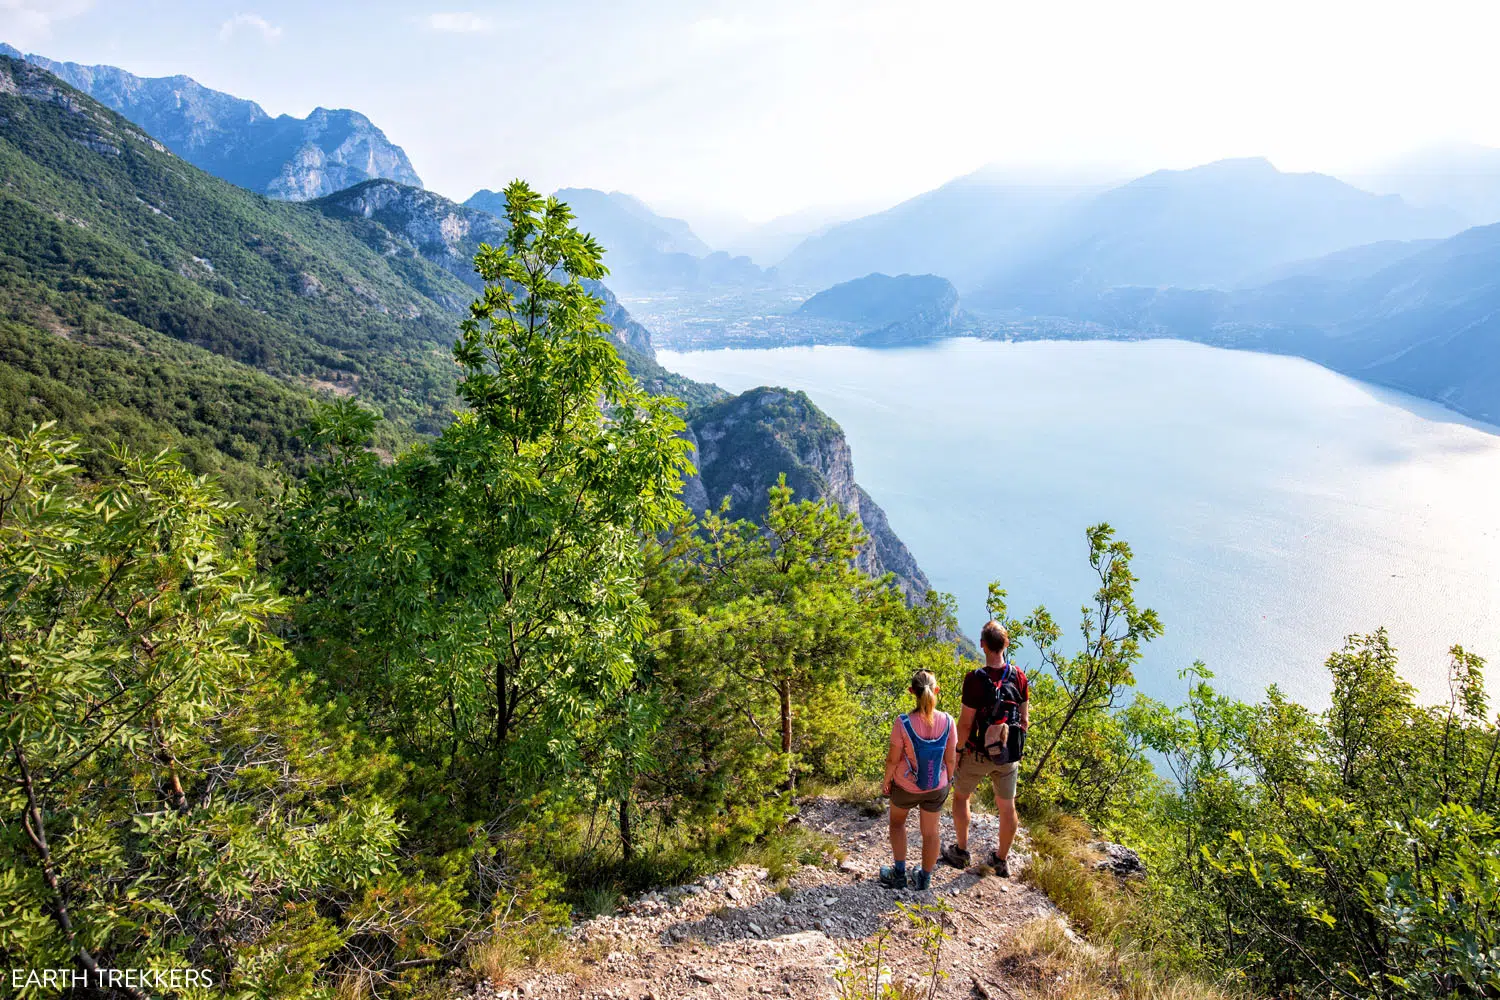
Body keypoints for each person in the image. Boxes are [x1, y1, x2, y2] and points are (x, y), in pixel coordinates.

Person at [942, 621, 1029, 877]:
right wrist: (1010, 745)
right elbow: (1024, 720)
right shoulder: (1019, 676)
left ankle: (961, 851)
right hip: (1007, 756)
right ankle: (1000, 860)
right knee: (1007, 807)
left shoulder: (975, 680)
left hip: (977, 754)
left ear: (982, 644)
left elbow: (966, 724)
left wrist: (957, 752)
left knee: (961, 797)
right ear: (1006, 644)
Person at [879, 669, 958, 891]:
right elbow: (951, 758)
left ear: (911, 691)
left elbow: (893, 759)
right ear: (937, 690)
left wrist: (886, 782)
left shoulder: (902, 723)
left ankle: (899, 874)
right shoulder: (949, 721)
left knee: (897, 823)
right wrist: (948, 781)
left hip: (905, 786)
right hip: (937, 785)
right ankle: (924, 878)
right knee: (931, 833)